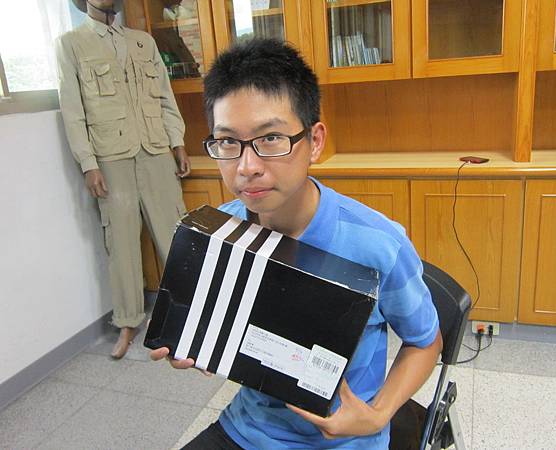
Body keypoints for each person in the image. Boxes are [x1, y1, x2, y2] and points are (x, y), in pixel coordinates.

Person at [151, 38, 442, 449]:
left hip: (344, 440)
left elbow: (426, 341)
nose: (247, 167)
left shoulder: (378, 243)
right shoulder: (222, 230)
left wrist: (376, 416)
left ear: (315, 141)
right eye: (228, 142)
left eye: (271, 138)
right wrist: (199, 342)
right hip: (248, 429)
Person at [55, 0, 191, 359]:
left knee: (176, 235)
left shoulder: (143, 41)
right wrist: (88, 163)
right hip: (110, 156)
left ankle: (191, 312)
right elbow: (73, 110)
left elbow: (165, 97)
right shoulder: (71, 44)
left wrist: (177, 142)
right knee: (121, 243)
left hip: (156, 149)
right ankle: (128, 321)